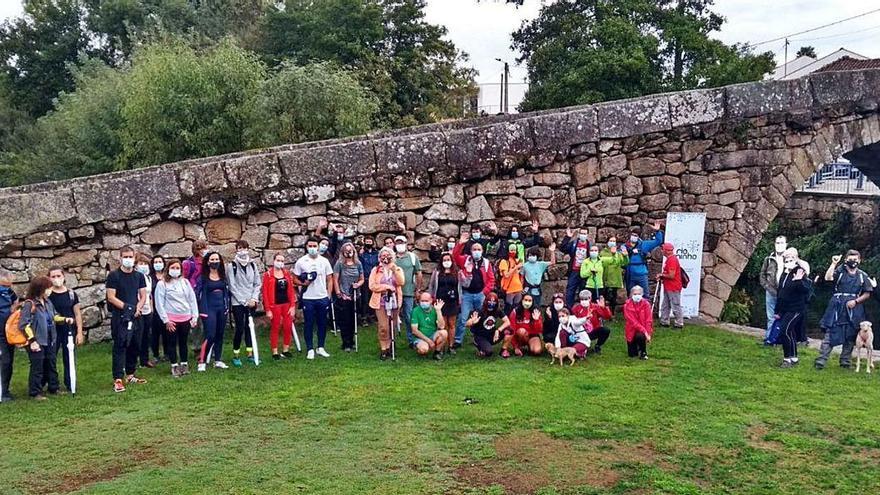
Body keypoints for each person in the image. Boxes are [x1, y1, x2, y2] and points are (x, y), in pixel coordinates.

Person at [815, 250, 873, 370]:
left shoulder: (863, 275)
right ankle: (821, 360)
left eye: (855, 259)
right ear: (846, 259)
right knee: (830, 333)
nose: (853, 262)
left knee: (851, 335)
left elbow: (867, 293)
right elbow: (828, 277)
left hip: (855, 309)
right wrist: (833, 263)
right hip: (837, 306)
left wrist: (856, 301)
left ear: (859, 260)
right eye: (851, 259)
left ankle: (845, 361)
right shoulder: (840, 271)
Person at [19, 276, 73, 400]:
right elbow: (24, 324)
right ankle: (35, 392)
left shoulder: (48, 302)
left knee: (51, 363)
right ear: (40, 289)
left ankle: (54, 387)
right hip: (36, 340)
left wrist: (64, 319)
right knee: (37, 366)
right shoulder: (29, 304)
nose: (50, 290)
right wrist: (32, 341)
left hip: (50, 338)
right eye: (48, 288)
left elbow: (54, 316)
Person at [106, 245, 148, 393]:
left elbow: (143, 295)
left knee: (135, 344)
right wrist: (127, 308)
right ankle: (118, 378)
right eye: (126, 257)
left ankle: (130, 374)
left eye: (131, 257)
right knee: (120, 345)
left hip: (136, 315)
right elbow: (111, 297)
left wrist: (138, 308)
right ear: (120, 257)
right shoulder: (114, 276)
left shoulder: (139, 276)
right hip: (121, 316)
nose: (128, 259)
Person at [154, 259, 200, 378]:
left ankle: (184, 364)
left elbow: (192, 299)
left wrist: (194, 316)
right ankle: (174, 365)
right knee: (172, 343)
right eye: (173, 268)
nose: (175, 270)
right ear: (168, 269)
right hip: (171, 319)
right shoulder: (162, 284)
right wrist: (166, 320)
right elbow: (159, 303)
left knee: (183, 342)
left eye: (177, 268)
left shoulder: (185, 282)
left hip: (185, 317)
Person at [452, 232, 496, 351]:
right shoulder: (466, 260)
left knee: (481, 318)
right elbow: (454, 257)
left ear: (482, 251)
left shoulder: (486, 263)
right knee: (463, 318)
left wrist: (484, 292)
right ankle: (457, 340)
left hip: (480, 294)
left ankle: (479, 339)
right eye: (474, 249)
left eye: (479, 249)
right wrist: (460, 244)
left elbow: (491, 280)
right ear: (471, 251)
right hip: (467, 294)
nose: (476, 251)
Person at [294, 237, 335, 360]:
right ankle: (310, 348)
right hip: (308, 298)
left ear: (318, 247)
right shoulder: (301, 261)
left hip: (322, 297)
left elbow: (330, 278)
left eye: (314, 246)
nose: (312, 248)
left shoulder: (324, 261)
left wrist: (328, 295)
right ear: (306, 247)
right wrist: (303, 284)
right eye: (310, 246)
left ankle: (321, 347)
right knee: (309, 323)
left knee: (322, 323)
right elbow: (294, 278)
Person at [47, 267, 83, 393]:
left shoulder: (72, 294)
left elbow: (77, 314)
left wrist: (79, 332)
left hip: (68, 329)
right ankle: (52, 385)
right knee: (51, 358)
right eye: (53, 276)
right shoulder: (47, 295)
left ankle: (70, 383)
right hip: (52, 331)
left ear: (64, 276)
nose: (56, 279)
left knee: (69, 357)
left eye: (58, 276)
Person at [228, 241, 262, 366]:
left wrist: (253, 299)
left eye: (244, 248)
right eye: (240, 248)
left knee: (250, 327)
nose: (242, 250)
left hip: (251, 301)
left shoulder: (253, 265)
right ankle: (236, 354)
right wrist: (243, 301)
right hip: (238, 303)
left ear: (248, 249)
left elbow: (257, 283)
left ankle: (250, 353)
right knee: (240, 328)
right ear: (236, 250)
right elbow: (232, 286)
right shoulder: (232, 266)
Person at [195, 252, 231, 371]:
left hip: (222, 309)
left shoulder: (223, 276)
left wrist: (226, 307)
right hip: (208, 310)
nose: (215, 261)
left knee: (220, 335)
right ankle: (202, 361)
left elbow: (226, 292)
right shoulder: (203, 278)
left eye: (217, 259)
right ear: (208, 261)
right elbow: (197, 294)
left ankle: (218, 360)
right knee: (210, 335)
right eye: (212, 259)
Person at [775, 248, 809, 369]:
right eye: (786, 258)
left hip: (796, 309)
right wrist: (778, 311)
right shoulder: (784, 273)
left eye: (791, 258)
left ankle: (787, 359)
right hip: (785, 308)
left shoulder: (800, 271)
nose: (788, 260)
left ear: (796, 258)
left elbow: (806, 290)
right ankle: (794, 358)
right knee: (790, 332)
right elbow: (781, 292)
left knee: (784, 331)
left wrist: (799, 281)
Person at [369, 247, 405, 360]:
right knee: (383, 327)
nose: (385, 258)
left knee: (391, 326)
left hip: (394, 301)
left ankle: (390, 346)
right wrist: (386, 287)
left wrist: (394, 270)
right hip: (380, 302)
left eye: (387, 255)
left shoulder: (397, 269)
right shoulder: (375, 270)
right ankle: (383, 348)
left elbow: (401, 282)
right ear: (379, 257)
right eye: (383, 256)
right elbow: (372, 286)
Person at [262, 252, 296, 360]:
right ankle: (275, 351)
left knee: (287, 326)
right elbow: (265, 293)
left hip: (286, 304)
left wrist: (292, 306)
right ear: (274, 261)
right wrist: (267, 309)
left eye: (282, 261)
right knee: (276, 327)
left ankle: (286, 349)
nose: (280, 262)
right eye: (278, 260)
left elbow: (291, 291)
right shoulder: (268, 275)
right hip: (274, 305)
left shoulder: (286, 274)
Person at [334, 242, 365, 352]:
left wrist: (358, 284)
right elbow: (336, 279)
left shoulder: (358, 263)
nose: (349, 252)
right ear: (343, 252)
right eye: (346, 251)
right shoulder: (339, 263)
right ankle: (345, 342)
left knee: (353, 319)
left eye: (350, 250)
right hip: (344, 295)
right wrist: (339, 293)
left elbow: (362, 278)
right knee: (345, 320)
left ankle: (352, 341)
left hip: (356, 295)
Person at [393, 235, 422, 347]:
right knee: (393, 317)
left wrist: (418, 289)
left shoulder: (412, 257)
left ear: (406, 244)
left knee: (409, 316)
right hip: (394, 293)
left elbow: (418, 273)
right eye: (398, 243)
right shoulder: (392, 257)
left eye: (402, 242)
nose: (400, 245)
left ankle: (412, 340)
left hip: (408, 292)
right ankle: (392, 340)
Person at [759, 236, 787, 344]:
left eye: (782, 242)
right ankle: (769, 338)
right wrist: (766, 286)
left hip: (784, 292)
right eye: (778, 242)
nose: (779, 245)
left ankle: (781, 338)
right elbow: (762, 274)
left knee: (784, 315)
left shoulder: (789, 258)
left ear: (786, 244)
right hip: (771, 291)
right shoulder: (769, 259)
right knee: (771, 316)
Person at [624, 222, 664, 298]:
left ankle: (645, 309)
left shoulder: (644, 245)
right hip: (630, 273)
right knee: (631, 294)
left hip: (642, 273)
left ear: (639, 237)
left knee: (645, 295)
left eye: (636, 235)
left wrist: (657, 231)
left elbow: (658, 241)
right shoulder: (625, 246)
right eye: (632, 235)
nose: (633, 237)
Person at [464, 293, 510, 358]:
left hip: (492, 335)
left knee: (509, 330)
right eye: (490, 301)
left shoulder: (497, 310)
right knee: (488, 353)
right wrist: (472, 322)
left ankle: (503, 350)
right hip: (481, 336)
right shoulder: (480, 311)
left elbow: (507, 322)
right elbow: (466, 324)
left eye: (494, 301)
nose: (491, 303)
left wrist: (498, 330)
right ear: (486, 301)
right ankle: (478, 345)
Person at [428, 252, 459, 341]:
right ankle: (442, 346)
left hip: (453, 301)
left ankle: (451, 346)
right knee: (443, 324)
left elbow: (464, 284)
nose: (446, 262)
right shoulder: (437, 272)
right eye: (444, 260)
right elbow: (432, 285)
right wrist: (430, 297)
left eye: (448, 260)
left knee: (452, 324)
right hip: (440, 301)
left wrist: (467, 274)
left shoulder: (457, 272)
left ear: (452, 261)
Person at [571, 289, 612, 354]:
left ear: (590, 298)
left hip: (593, 331)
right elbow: (572, 321)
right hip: (580, 332)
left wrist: (603, 308)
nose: (584, 301)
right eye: (582, 299)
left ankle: (598, 346)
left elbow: (607, 317)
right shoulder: (576, 308)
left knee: (605, 330)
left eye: (586, 299)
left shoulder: (595, 307)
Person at [560, 226, 591, 308]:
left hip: (585, 272)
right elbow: (563, 248)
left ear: (587, 235)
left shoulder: (589, 246)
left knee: (583, 291)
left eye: (584, 233)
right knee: (570, 291)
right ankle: (569, 309)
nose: (583, 235)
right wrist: (568, 237)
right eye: (581, 233)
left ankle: (583, 310)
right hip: (574, 271)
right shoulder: (574, 244)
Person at [410, 292, 448, 360]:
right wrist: (428, 341)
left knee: (444, 333)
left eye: (426, 301)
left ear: (431, 301)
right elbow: (414, 331)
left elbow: (441, 326)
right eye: (422, 301)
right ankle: (424, 347)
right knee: (423, 350)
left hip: (433, 334)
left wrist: (438, 311)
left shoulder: (435, 309)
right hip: (420, 337)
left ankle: (437, 352)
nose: (424, 303)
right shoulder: (415, 311)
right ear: (419, 301)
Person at [0, 269, 19, 401]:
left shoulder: (11, 293)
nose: (7, 288)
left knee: (8, 363)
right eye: (4, 285)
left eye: (9, 285)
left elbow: (15, 301)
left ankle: (5, 390)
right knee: (4, 362)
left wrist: (14, 308)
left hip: (8, 334)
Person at [134, 254, 156, 369]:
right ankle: (133, 359)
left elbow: (149, 294)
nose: (143, 266)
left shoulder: (149, 278)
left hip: (148, 310)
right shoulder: (135, 277)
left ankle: (145, 359)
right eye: (140, 264)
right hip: (138, 310)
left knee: (147, 335)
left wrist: (151, 308)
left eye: (145, 264)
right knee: (138, 335)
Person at [658, 243, 684, 329]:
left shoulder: (672, 260)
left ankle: (679, 323)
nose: (662, 251)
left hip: (673, 287)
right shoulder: (670, 259)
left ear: (667, 251)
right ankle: (664, 321)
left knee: (675, 305)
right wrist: (662, 276)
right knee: (665, 304)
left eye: (663, 249)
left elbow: (671, 275)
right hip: (668, 286)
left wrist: (662, 275)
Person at [148, 255, 169, 364]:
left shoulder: (167, 276)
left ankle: (167, 353)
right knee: (155, 333)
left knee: (167, 332)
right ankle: (155, 355)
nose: (158, 263)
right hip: (154, 308)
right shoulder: (150, 277)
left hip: (167, 308)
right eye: (155, 262)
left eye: (160, 261)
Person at [599, 237, 628, 313]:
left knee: (613, 297)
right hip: (605, 278)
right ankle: (603, 313)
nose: (612, 242)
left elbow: (625, 263)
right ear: (607, 242)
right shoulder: (603, 252)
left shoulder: (618, 254)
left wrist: (625, 256)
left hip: (615, 278)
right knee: (603, 296)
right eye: (611, 241)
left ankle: (612, 314)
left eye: (614, 241)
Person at [623, 286, 653, 360]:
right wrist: (645, 331)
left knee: (640, 336)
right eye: (635, 294)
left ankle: (643, 351)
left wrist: (648, 333)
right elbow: (633, 322)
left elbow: (648, 320)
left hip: (642, 331)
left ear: (642, 294)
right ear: (631, 295)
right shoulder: (627, 305)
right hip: (631, 330)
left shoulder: (646, 304)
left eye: (639, 294)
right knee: (632, 354)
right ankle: (636, 346)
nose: (637, 296)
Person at [498, 243, 524, 314]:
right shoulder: (504, 261)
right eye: (511, 250)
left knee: (517, 309)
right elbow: (506, 275)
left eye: (515, 250)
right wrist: (516, 267)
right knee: (509, 308)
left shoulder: (515, 260)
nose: (513, 252)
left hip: (518, 288)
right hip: (509, 289)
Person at [358, 236, 379, 324]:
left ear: (373, 242)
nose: (368, 243)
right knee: (365, 299)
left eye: (370, 241)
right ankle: (364, 317)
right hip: (365, 278)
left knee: (373, 297)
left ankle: (372, 316)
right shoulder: (362, 254)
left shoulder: (376, 253)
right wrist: (360, 254)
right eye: (367, 241)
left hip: (374, 279)